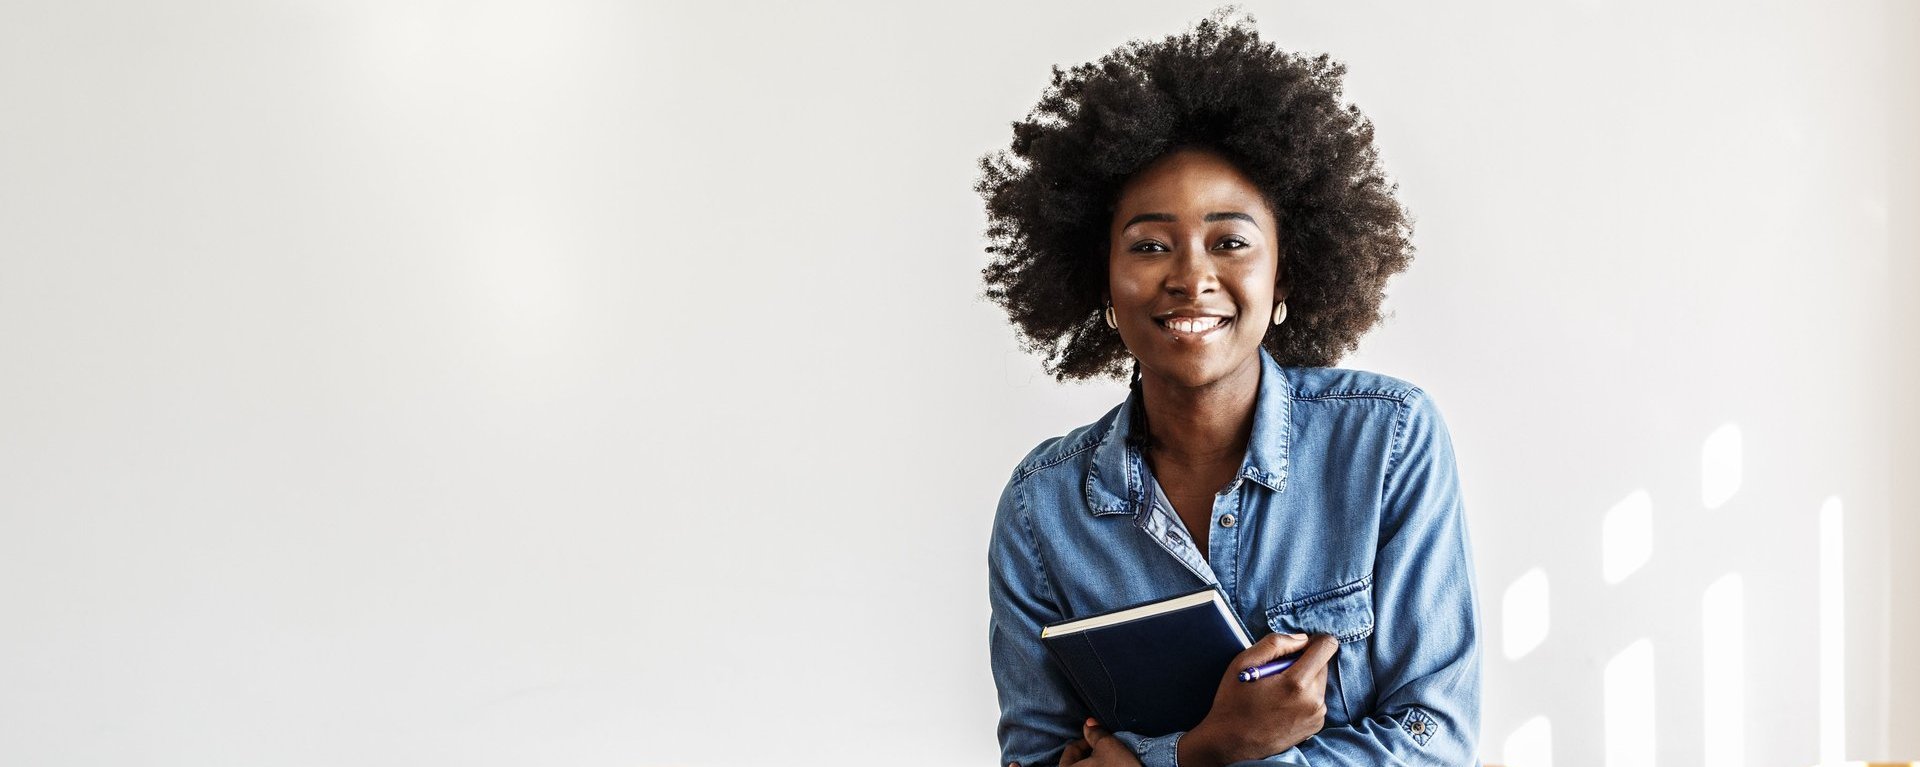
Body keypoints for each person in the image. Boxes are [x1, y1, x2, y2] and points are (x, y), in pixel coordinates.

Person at [978, 11, 1481, 767]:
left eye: (1231, 241)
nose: (1190, 276)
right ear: (1103, 287)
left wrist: (1194, 757)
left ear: (1284, 275)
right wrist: (1209, 746)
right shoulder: (1040, 511)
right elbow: (1039, 759)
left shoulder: (1388, 443)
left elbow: (1436, 738)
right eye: (1149, 245)